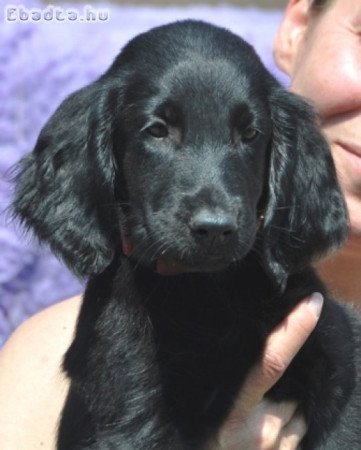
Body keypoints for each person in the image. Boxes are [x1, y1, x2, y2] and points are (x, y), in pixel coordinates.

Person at [0, 0, 360, 448]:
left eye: (247, 137)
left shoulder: (331, 353)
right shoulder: (37, 365)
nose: (214, 210)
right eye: (157, 131)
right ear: (298, 25)